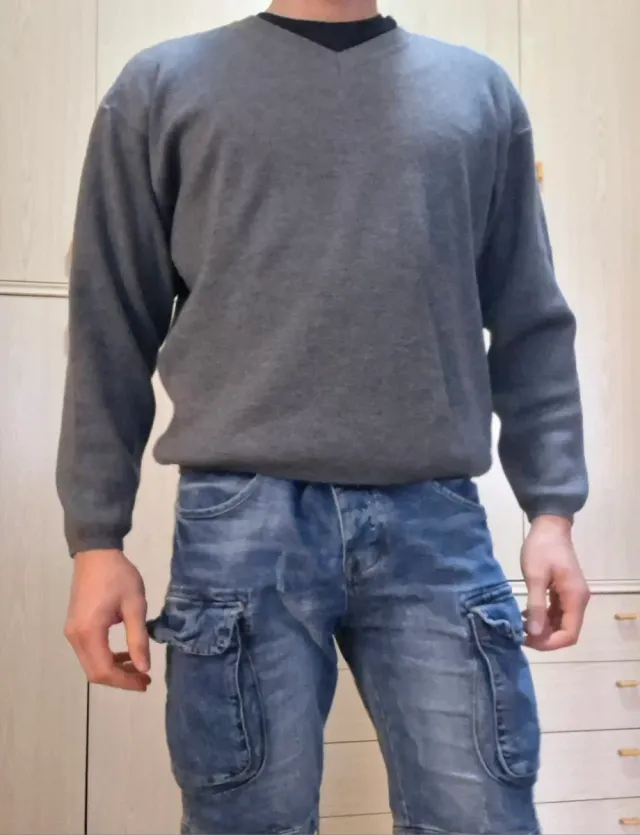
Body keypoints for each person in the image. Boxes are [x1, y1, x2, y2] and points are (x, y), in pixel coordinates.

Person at [57, 1, 591, 833]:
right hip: (240, 524)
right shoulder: (160, 89)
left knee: (481, 817)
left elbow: (530, 317)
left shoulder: (480, 95)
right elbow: (109, 326)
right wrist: (96, 538)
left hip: (435, 522)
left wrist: (551, 510)